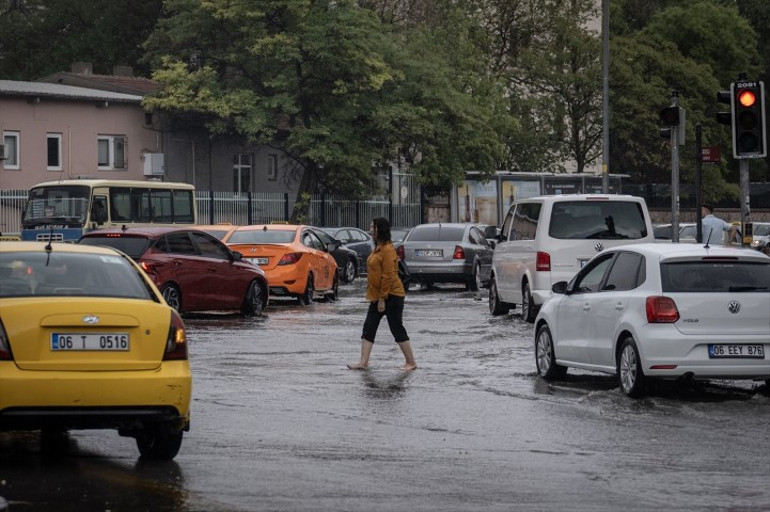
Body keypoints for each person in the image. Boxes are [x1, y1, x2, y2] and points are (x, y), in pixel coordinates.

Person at [347, 217, 417, 371]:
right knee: (369, 327)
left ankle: (411, 362)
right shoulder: (377, 247)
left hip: (391, 296)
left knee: (396, 327)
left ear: (380, 229)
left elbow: (388, 276)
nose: (370, 229)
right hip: (378, 295)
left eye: (373, 227)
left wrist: (382, 299)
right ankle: (363, 362)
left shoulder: (388, 250)